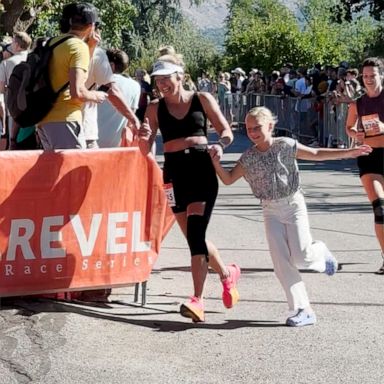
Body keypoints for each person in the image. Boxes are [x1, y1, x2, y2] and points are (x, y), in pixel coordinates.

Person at [210, 106, 372, 326]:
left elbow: (315, 154)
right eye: (249, 129)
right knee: (281, 261)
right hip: (269, 209)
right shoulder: (248, 158)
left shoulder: (285, 145)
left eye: (257, 127)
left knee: (301, 256)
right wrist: (215, 163)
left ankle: (320, 252)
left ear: (270, 126)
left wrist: (349, 152)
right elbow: (228, 179)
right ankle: (303, 309)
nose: (253, 132)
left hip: (293, 204)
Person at [138, 53, 241, 323]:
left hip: (200, 169)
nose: (162, 85)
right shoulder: (153, 108)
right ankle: (227, 274)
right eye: (158, 80)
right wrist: (143, 137)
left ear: (180, 76)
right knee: (195, 238)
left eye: (166, 79)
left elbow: (225, 131)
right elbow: (144, 150)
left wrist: (221, 144)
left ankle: (197, 300)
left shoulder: (202, 99)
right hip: (173, 174)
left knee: (196, 233)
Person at [37, 2, 108, 150]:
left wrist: (91, 46)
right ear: (91, 26)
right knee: (71, 171)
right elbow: (78, 92)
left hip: (43, 118)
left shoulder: (53, 42)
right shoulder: (78, 47)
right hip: (65, 118)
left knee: (55, 171)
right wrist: (96, 95)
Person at [345, 57, 384, 275]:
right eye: (365, 76)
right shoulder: (358, 103)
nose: (368, 79)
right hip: (369, 155)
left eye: (373, 75)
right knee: (380, 208)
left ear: (381, 76)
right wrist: (355, 134)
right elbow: (348, 127)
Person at [98, 48, 141, 148]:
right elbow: (130, 118)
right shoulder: (135, 86)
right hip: (117, 144)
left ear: (110, 65)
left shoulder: (97, 81)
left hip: (92, 140)